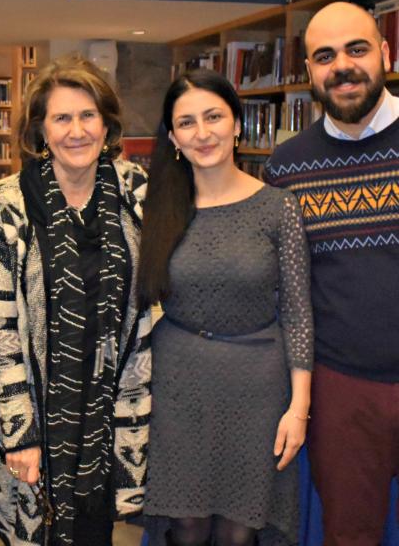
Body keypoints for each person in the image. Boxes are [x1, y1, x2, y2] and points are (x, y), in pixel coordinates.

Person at [136, 68, 313, 546]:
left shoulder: (278, 207)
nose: (203, 132)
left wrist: (299, 407)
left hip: (258, 387)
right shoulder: (154, 209)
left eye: (214, 116)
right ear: (172, 136)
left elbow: (298, 313)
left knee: (239, 531)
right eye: (187, 122)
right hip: (178, 387)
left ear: (237, 123)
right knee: (186, 527)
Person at [0, 54, 151, 546]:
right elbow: (1, 326)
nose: (76, 130)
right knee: (38, 531)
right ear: (40, 130)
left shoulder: (136, 192)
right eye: (61, 117)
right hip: (38, 410)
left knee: (95, 528)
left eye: (88, 115)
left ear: (107, 124)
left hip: (108, 411)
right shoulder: (5, 203)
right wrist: (21, 432)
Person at [265, 1, 399, 546]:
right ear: (308, 73)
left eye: (357, 49)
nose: (342, 66)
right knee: (349, 533)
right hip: (342, 391)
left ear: (386, 53)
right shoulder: (285, 167)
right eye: (325, 56)